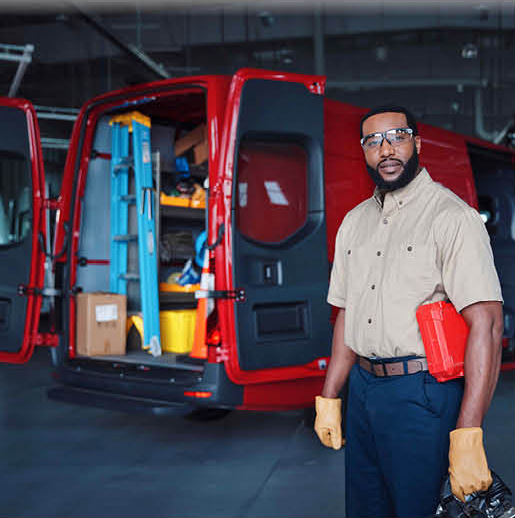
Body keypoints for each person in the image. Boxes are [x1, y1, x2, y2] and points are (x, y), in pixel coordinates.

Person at [314, 104, 504, 518]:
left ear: (416, 143)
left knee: (418, 509)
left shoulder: (452, 217)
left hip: (422, 393)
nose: (386, 150)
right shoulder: (354, 222)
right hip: (362, 391)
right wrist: (330, 395)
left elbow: (486, 324)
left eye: (396, 137)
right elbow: (347, 311)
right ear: (364, 152)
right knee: (366, 507)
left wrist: (468, 431)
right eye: (373, 141)